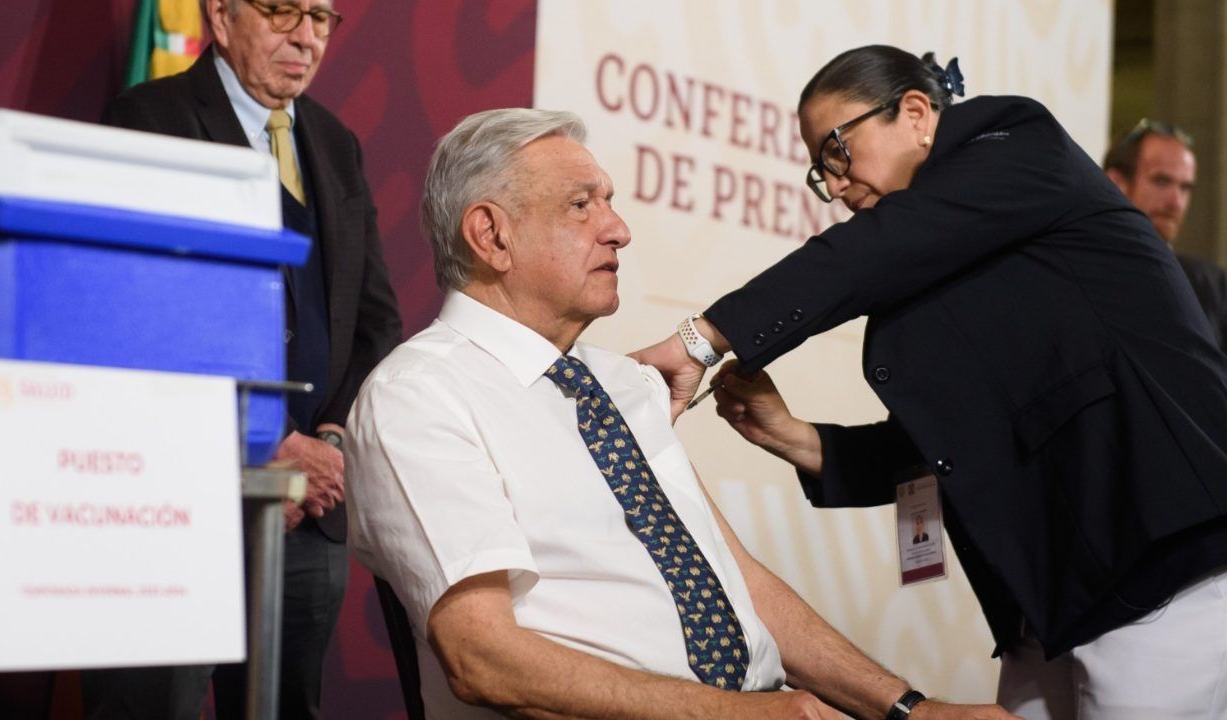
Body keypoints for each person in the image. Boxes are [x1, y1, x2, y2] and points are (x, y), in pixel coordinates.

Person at [345, 108, 1015, 720]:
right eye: (582, 205)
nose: (619, 229)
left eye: (609, 200)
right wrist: (737, 715)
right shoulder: (419, 396)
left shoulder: (624, 383)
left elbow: (735, 577)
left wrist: (907, 711)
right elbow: (482, 659)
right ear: (491, 235)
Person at [633, 45, 1227, 719]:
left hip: (1155, 558)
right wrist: (801, 440)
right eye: (821, 172)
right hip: (1056, 601)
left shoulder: (1018, 143)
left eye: (837, 151)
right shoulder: (952, 251)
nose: (837, 186)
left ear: (916, 112)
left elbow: (870, 253)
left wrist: (703, 338)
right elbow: (963, 442)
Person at [85, 1, 402, 717]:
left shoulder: (336, 142)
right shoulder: (149, 120)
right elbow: (133, 314)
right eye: (282, 10)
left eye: (321, 16)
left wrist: (327, 441)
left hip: (308, 508)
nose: (305, 35)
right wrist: (261, 442)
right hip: (180, 498)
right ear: (221, 18)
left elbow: (374, 322)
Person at [1102, 118, 1227, 351]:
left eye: (1185, 187)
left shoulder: (1212, 286)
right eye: (1161, 181)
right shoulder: (1078, 273)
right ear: (1117, 183)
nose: (1176, 202)